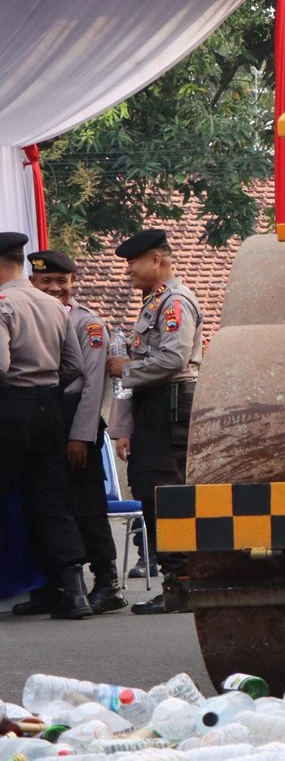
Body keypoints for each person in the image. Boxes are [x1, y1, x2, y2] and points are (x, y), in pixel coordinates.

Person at [107, 228, 203, 615]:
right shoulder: (155, 303)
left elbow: (173, 359)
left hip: (170, 405)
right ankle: (177, 584)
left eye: (132, 262)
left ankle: (181, 586)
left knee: (165, 495)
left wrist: (125, 368)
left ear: (156, 260)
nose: (128, 270)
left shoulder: (174, 302)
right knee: (152, 492)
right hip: (156, 406)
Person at [0, 232, 93, 619]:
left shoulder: (2, 304)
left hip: (10, 408)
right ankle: (75, 593)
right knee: (52, 502)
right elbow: (73, 365)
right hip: (50, 409)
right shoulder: (54, 305)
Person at [27, 249, 123, 614]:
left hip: (76, 417)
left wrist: (81, 435)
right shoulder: (29, 316)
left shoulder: (88, 324)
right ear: (32, 282)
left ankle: (108, 583)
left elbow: (94, 384)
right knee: (47, 504)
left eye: (61, 281)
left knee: (86, 505)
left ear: (73, 282)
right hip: (44, 418)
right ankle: (57, 586)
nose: (54, 288)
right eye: (46, 281)